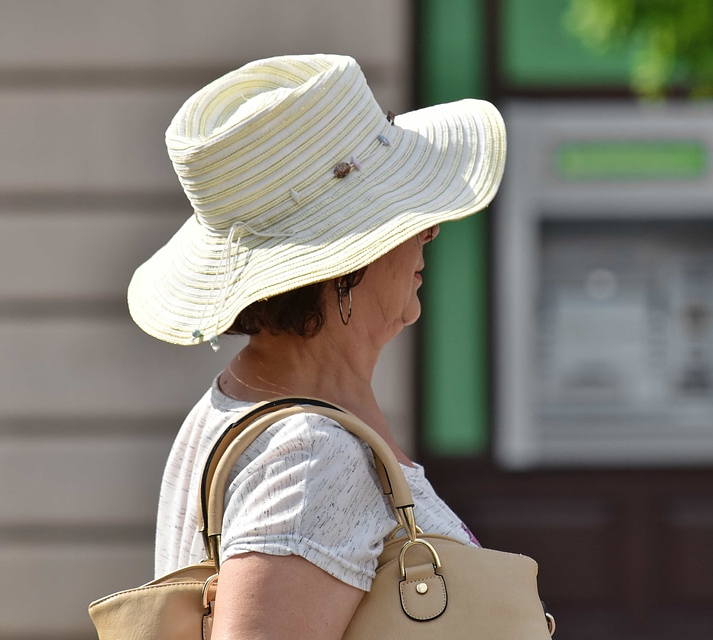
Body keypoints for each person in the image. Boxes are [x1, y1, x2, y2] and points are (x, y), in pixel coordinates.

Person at [127, 54, 506, 640]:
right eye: (405, 213)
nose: (430, 230)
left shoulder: (254, 409)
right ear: (343, 268)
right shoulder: (310, 457)